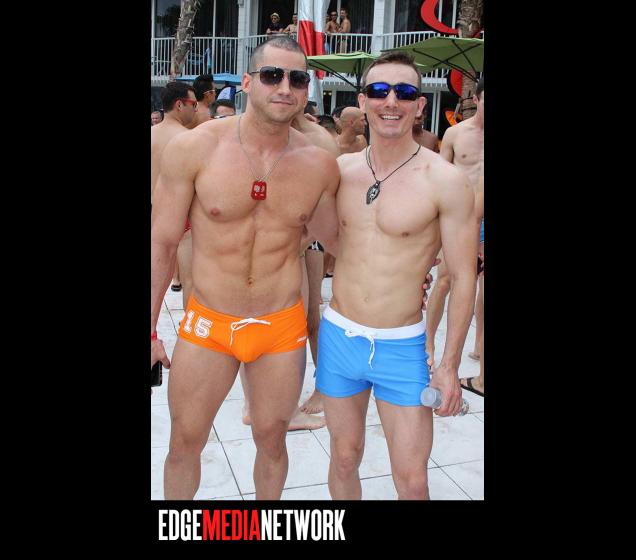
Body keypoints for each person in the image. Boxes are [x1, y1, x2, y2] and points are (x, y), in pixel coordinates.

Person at [150, 36, 341, 500]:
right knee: (184, 444)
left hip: (280, 326)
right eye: (273, 75)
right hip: (209, 323)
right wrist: (150, 331)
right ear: (248, 82)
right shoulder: (195, 149)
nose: (285, 88)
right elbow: (161, 243)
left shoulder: (319, 163)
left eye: (298, 79)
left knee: (272, 442)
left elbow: (340, 242)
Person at [315, 52, 476, 500]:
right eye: (379, 91)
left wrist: (449, 366)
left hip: (402, 346)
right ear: (362, 101)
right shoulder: (340, 171)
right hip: (340, 335)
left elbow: (464, 276)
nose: (391, 102)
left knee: (412, 480)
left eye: (404, 92)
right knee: (343, 458)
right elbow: (324, 236)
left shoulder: (445, 180)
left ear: (419, 105)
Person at [424, 76, 484, 372]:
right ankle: (429, 343)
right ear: (476, 99)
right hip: (459, 219)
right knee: (446, 280)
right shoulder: (455, 134)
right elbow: (439, 178)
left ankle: (479, 345)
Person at [151, 81, 198, 293]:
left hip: (156, 212)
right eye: (193, 104)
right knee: (190, 281)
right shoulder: (189, 139)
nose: (195, 109)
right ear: (179, 105)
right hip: (181, 216)